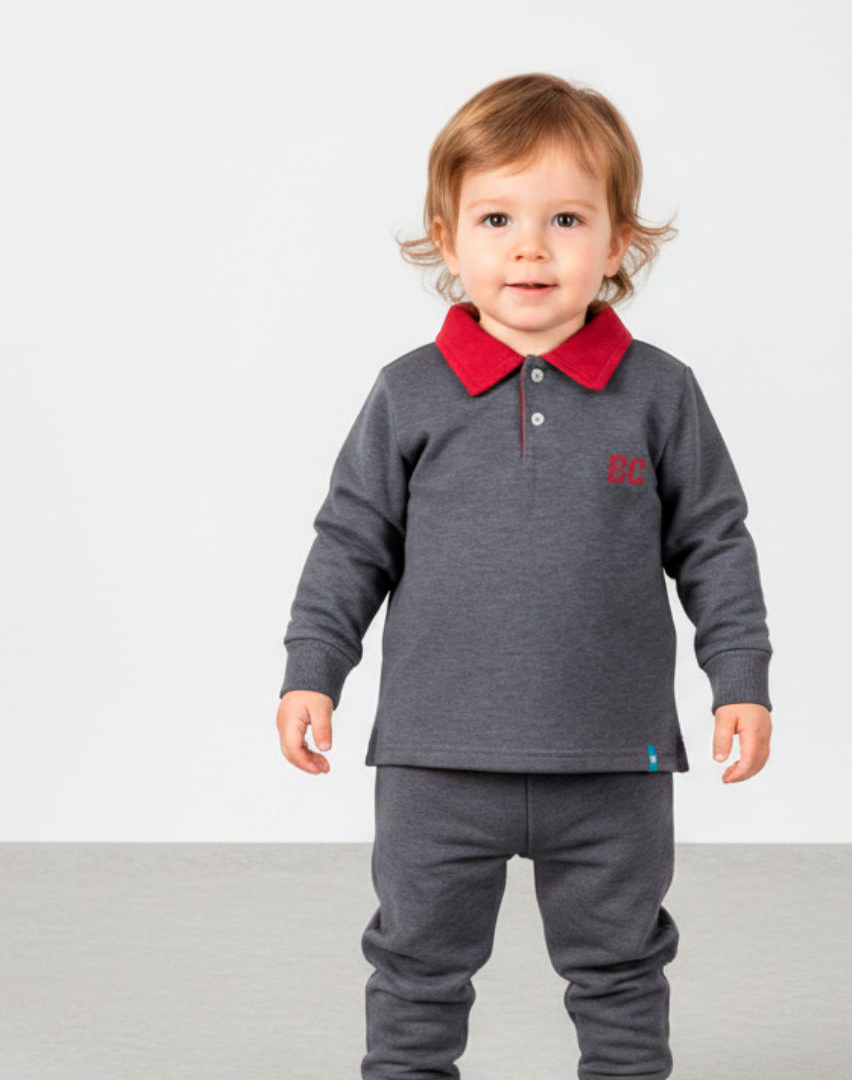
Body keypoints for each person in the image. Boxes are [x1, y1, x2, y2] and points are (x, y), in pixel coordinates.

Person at [276, 71, 774, 1080]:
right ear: (447, 237)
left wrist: (741, 680)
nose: (530, 248)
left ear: (619, 241)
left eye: (567, 219)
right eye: (497, 218)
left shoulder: (661, 393)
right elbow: (350, 542)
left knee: (623, 967)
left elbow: (715, 543)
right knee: (416, 965)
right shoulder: (408, 394)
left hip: (614, 761)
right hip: (436, 759)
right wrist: (311, 670)